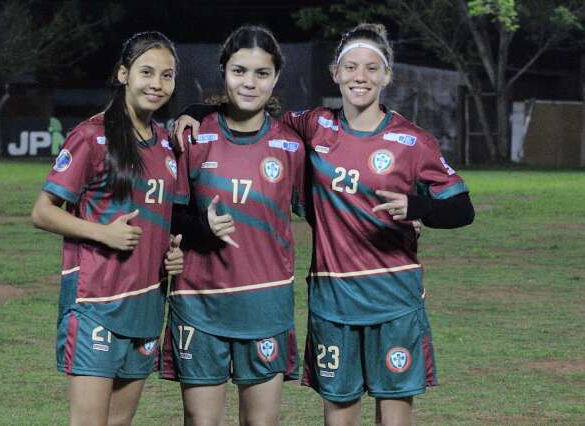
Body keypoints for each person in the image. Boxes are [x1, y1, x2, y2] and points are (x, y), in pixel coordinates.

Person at [174, 22, 474, 426]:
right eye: (350, 66)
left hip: (394, 298)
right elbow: (248, 107)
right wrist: (195, 112)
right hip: (333, 301)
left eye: (372, 68)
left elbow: (461, 209)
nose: (360, 77)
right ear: (335, 73)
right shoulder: (314, 126)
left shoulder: (412, 140)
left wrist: (419, 207)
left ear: (387, 75)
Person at [31, 31, 187, 426]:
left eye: (166, 76)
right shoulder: (91, 135)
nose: (156, 84)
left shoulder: (168, 145)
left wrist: (171, 249)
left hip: (147, 304)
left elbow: (162, 216)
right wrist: (103, 233)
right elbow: (43, 212)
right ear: (123, 74)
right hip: (96, 302)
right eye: (147, 72)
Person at [160, 25, 305, 426]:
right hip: (199, 303)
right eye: (239, 71)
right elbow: (167, 213)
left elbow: (327, 209)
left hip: (265, 305)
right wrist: (200, 228)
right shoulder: (192, 136)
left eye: (262, 73)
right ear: (223, 71)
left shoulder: (292, 144)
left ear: (276, 78)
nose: (249, 82)